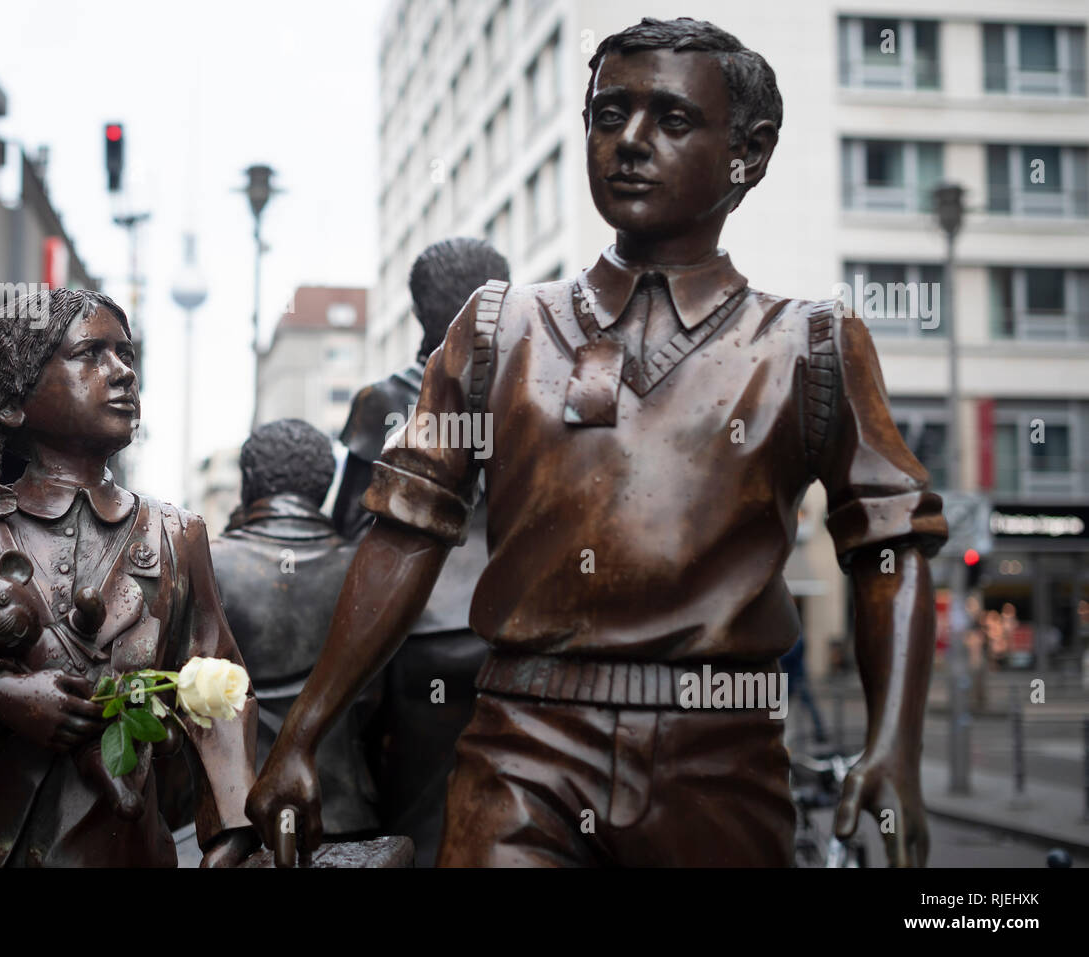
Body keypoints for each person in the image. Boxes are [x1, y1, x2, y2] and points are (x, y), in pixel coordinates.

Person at [247, 17, 948, 868]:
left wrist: (894, 747)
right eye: (608, 114)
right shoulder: (498, 330)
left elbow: (892, 547)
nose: (629, 142)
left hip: (721, 759)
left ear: (749, 154)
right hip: (523, 746)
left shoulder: (812, 346)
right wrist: (305, 735)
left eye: (673, 120)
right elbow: (406, 531)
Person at [0, 289, 257, 867]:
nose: (123, 373)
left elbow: (222, 689)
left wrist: (232, 828)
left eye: (127, 355)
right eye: (91, 354)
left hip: (124, 848)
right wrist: (0, 696)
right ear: (12, 403)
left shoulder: (176, 536)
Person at [334, 237, 510, 866]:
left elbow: (352, 535)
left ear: (416, 310)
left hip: (416, 636)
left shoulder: (384, 400)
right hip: (509, 632)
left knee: (415, 809)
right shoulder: (530, 392)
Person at [210, 419, 376, 837]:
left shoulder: (206, 561)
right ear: (326, 485)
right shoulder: (372, 571)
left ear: (248, 481)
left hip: (234, 820)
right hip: (343, 811)